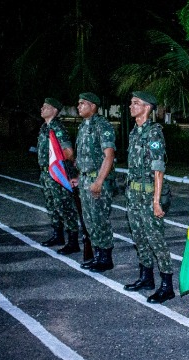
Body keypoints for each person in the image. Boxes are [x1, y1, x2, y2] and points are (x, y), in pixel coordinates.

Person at [122, 91, 175, 303]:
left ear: (147, 108)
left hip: (149, 194)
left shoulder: (153, 133)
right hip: (134, 194)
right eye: (131, 103)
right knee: (139, 237)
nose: (131, 106)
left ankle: (167, 285)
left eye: (136, 103)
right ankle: (146, 277)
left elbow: (158, 169)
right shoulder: (135, 132)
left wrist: (156, 201)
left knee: (156, 240)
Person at [72, 92, 117, 273]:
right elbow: (84, 155)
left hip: (98, 180)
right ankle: (97, 255)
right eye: (78, 103)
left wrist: (98, 181)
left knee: (100, 220)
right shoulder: (83, 126)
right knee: (89, 221)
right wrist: (80, 176)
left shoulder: (102, 125)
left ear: (93, 106)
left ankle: (105, 258)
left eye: (82, 103)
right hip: (85, 179)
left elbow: (109, 156)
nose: (78, 106)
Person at [37, 97, 80, 255]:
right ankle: (58, 235)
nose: (42, 108)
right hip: (46, 173)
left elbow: (68, 152)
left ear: (54, 110)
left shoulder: (57, 127)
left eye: (46, 106)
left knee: (64, 206)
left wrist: (57, 165)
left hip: (57, 173)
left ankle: (73, 241)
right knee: (52, 206)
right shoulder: (44, 127)